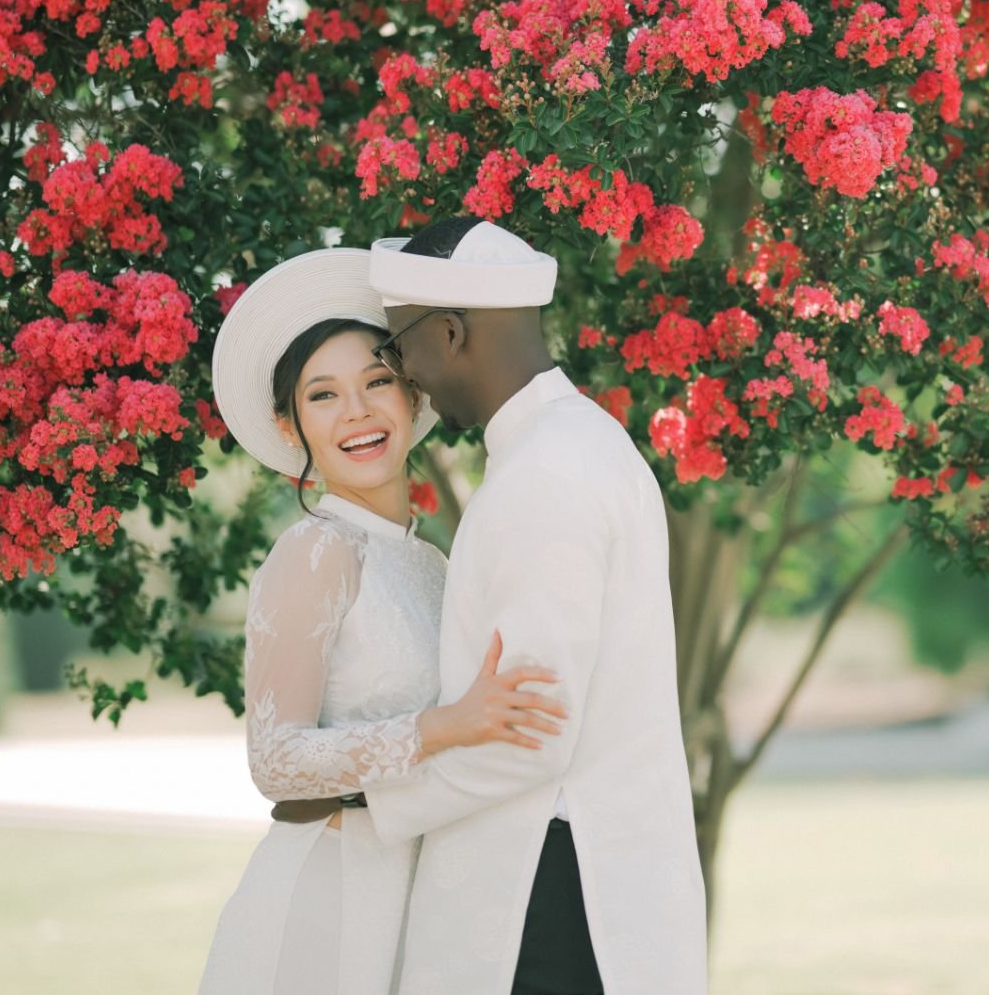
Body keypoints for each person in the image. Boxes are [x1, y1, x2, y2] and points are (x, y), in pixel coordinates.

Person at [199, 248, 570, 995]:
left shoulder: (432, 563)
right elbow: (274, 760)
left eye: (376, 382)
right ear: (290, 424)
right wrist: (444, 726)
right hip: (327, 895)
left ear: (411, 394)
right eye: (323, 396)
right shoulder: (315, 551)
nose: (357, 412)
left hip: (421, 894)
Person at [358, 216, 707, 994]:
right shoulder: (580, 443)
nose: (404, 376)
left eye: (398, 348)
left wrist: (366, 794)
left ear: (450, 333)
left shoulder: (545, 475)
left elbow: (531, 735)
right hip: (578, 880)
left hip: (550, 896)